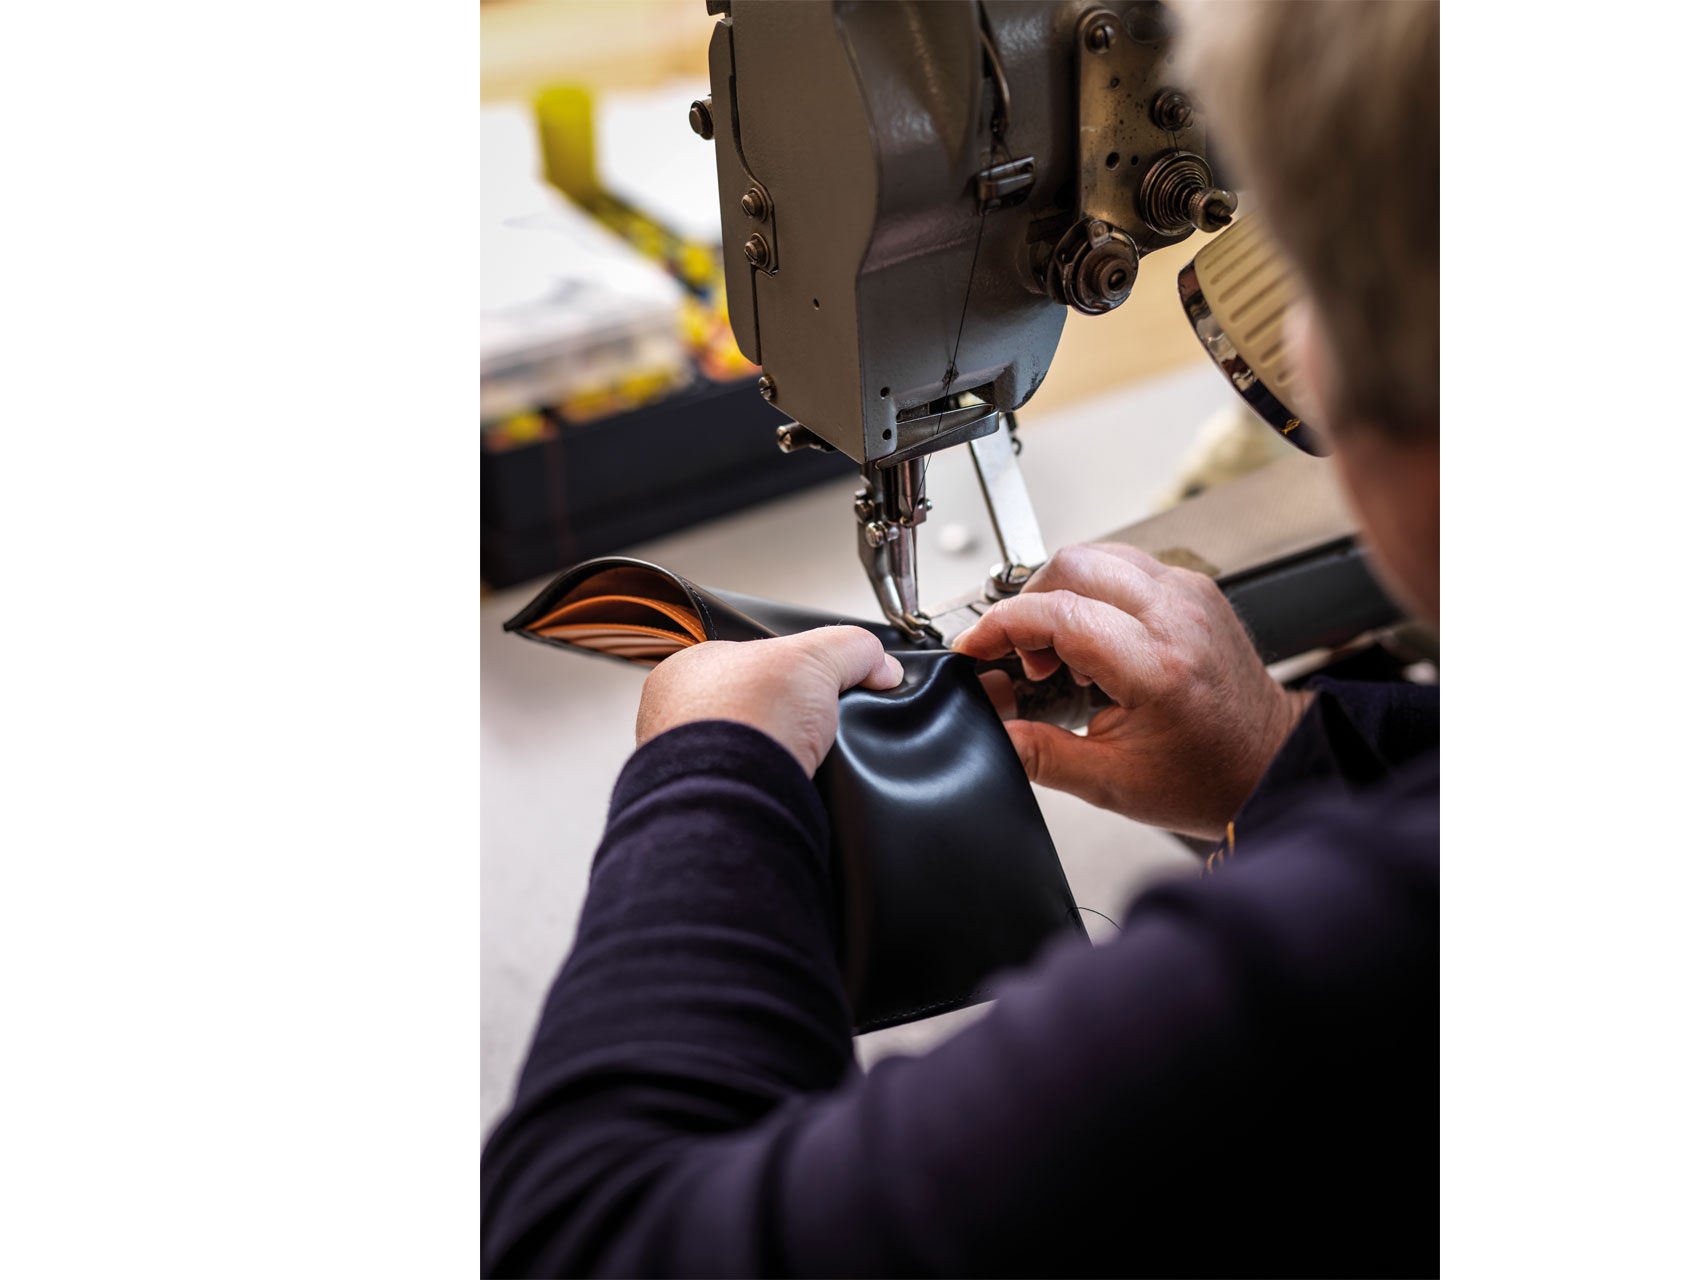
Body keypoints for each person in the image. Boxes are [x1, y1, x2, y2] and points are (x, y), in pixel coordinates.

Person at [482, 2, 1439, 1274]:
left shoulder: (1351, 956)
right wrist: (1290, 754)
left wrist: (708, 783)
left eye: (1311, 274)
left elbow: (595, 1238)